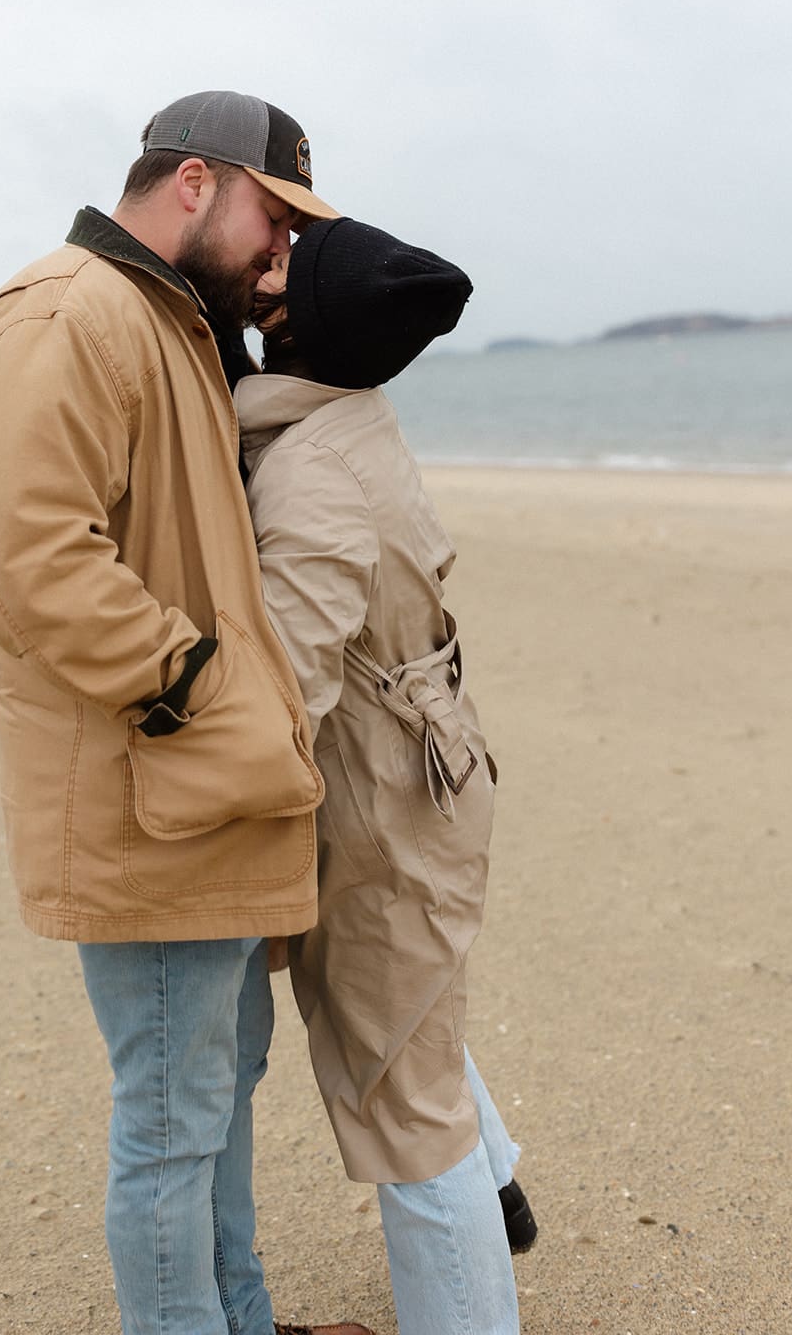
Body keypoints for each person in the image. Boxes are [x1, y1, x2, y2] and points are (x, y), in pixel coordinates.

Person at [0, 92, 375, 1335]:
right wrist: (193, 683)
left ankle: (241, 1318)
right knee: (171, 1119)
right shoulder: (68, 312)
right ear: (194, 181)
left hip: (203, 790)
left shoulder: (168, 320)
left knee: (214, 1100)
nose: (281, 252)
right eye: (274, 217)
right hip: (155, 791)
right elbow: (20, 550)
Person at [237, 218, 528, 1335]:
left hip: (384, 806)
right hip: (426, 774)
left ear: (295, 321)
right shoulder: (343, 411)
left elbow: (287, 696)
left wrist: (236, 864)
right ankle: (496, 1174)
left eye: (275, 269)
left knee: (409, 1114)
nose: (256, 269)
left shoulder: (309, 474)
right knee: (411, 1021)